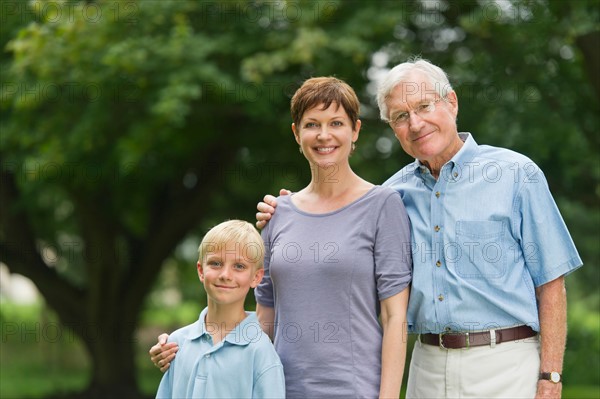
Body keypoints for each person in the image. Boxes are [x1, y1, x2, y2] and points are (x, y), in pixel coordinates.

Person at [255, 58, 583, 399]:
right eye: (400, 116)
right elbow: (339, 233)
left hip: (506, 362)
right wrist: (289, 212)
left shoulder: (516, 174)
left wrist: (551, 376)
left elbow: (552, 283)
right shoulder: (390, 196)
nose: (415, 123)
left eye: (424, 106)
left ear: (452, 103)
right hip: (426, 365)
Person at [151, 77, 413, 398]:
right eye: (312, 124)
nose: (324, 135)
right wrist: (187, 345)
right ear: (296, 133)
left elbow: (395, 316)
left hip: (355, 390)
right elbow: (263, 319)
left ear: (355, 130)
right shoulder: (278, 214)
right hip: (280, 389)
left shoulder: (383, 205)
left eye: (336, 123)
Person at [155, 220, 285, 399]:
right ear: (201, 270)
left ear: (256, 277)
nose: (225, 275)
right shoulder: (176, 344)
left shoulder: (260, 352)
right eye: (216, 263)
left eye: (239, 266)